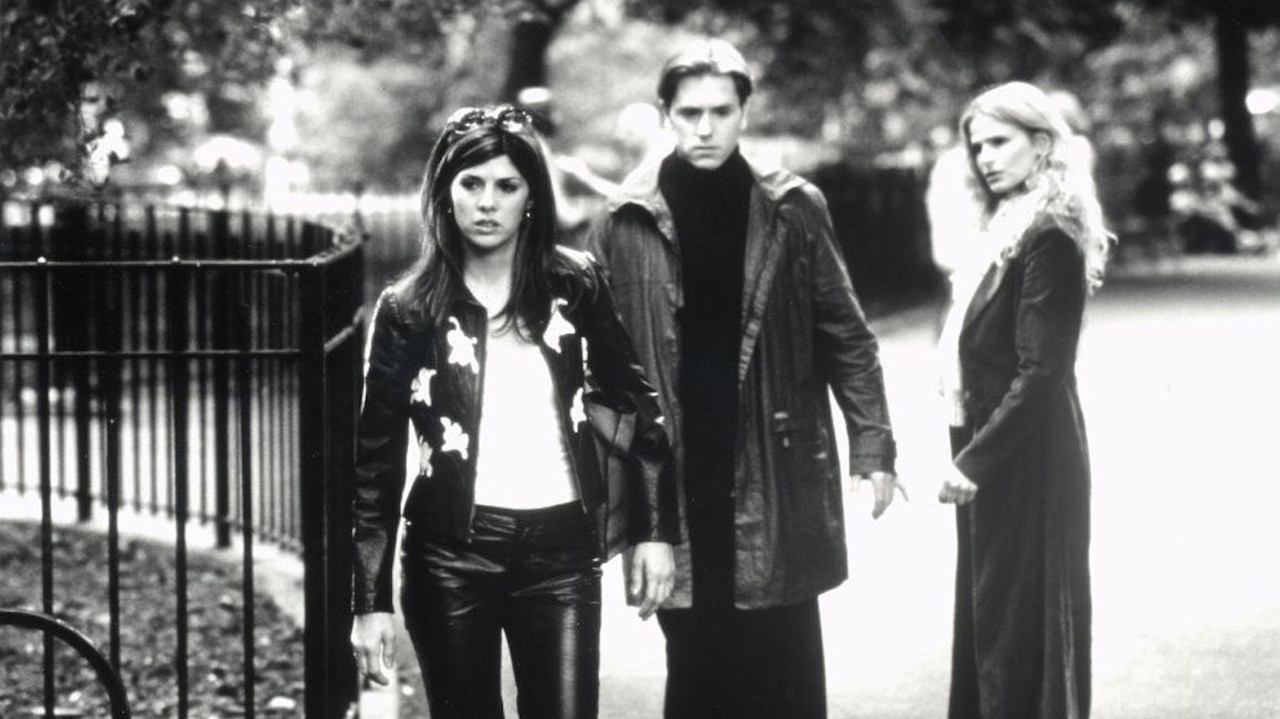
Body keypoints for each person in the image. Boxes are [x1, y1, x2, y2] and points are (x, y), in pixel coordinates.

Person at [588, 39, 904, 719]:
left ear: (745, 113)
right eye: (689, 112)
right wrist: (620, 497)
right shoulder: (623, 217)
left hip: (774, 464)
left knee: (784, 660)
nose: (705, 128)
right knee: (696, 663)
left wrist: (873, 444)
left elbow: (845, 333)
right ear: (665, 114)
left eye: (721, 111)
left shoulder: (793, 207)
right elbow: (598, 369)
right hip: (674, 470)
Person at [349, 104, 680, 719]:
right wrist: (369, 602)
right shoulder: (409, 308)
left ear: (531, 197)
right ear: (445, 191)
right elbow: (375, 462)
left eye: (507, 186)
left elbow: (640, 407)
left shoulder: (575, 284)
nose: (487, 203)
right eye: (471, 183)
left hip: (562, 554)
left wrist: (655, 531)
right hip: (449, 559)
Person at [935, 82, 1110, 719]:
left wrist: (975, 462)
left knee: (1019, 622)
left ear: (1042, 144)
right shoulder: (1007, 225)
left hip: (1029, 452)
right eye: (977, 145)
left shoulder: (1049, 233)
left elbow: (1042, 371)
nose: (985, 156)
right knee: (991, 616)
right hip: (991, 439)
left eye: (999, 142)